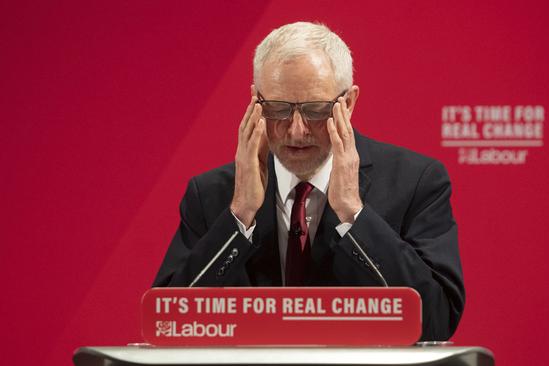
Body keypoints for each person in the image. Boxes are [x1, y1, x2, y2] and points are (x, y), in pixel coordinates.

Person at [153, 21, 464, 341]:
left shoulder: (416, 183)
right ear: (255, 102)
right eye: (277, 109)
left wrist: (354, 215)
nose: (296, 130)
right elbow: (166, 323)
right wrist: (239, 217)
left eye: (316, 110)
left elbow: (436, 320)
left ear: (349, 103)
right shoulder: (212, 195)